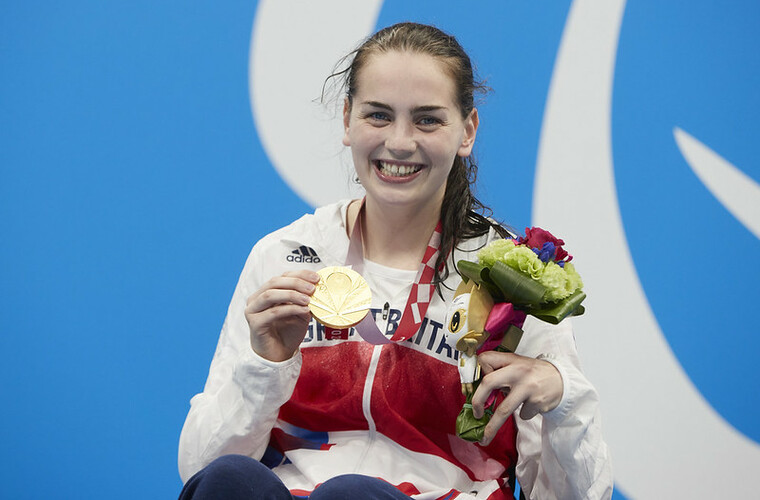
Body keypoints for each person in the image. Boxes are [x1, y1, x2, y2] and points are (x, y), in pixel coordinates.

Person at [178, 22, 612, 500]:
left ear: (467, 130)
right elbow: (199, 471)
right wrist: (266, 364)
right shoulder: (286, 255)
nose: (400, 142)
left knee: (351, 497)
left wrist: (562, 397)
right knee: (229, 480)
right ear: (347, 120)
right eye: (378, 115)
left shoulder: (514, 278)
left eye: (427, 119)